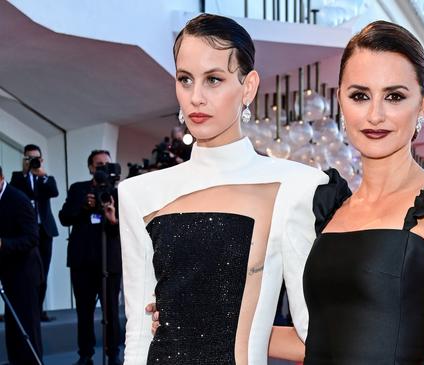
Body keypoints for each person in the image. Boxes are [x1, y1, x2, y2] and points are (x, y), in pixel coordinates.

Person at [122, 14, 328, 364]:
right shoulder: (138, 194)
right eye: (185, 79)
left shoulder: (297, 186)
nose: (196, 97)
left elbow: (316, 336)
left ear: (248, 87)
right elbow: (139, 336)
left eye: (214, 79)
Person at [301, 21, 424, 364]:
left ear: (423, 103)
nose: (375, 115)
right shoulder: (332, 209)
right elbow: (325, 339)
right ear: (340, 100)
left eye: (394, 96)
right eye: (360, 96)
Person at [59, 150, 123, 365]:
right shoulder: (78, 189)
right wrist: (82, 207)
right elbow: (64, 217)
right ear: (90, 168)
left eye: (106, 165)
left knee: (111, 312)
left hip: (110, 261)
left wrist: (113, 220)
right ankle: (85, 355)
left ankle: (113, 353)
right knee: (84, 312)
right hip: (83, 261)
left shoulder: (118, 191)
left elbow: (127, 227)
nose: (102, 169)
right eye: (98, 165)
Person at [10, 144, 59, 322]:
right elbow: (14, 194)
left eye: (35, 158)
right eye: (29, 158)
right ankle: (27, 311)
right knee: (28, 271)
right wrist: (25, 173)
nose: (33, 161)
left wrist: (42, 175)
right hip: (26, 233)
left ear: (41, 159)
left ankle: (38, 311)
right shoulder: (17, 178)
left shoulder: (46, 178)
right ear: (24, 159)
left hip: (44, 231)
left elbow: (54, 192)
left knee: (43, 272)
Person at [0, 165, 43, 365]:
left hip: (25, 273)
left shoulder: (18, 199)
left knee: (27, 326)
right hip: (7, 273)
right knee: (12, 326)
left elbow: (32, 237)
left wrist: (3, 243)